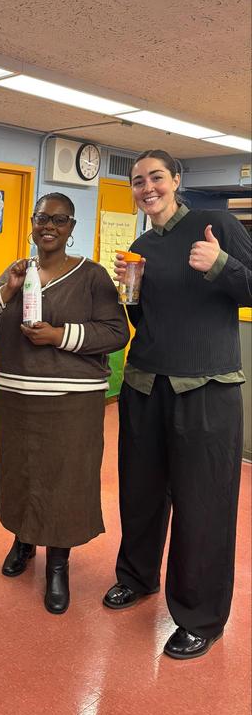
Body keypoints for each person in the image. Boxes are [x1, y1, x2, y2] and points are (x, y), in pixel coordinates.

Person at [103, 149, 252, 659]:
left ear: (177, 180)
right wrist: (133, 294)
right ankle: (136, 576)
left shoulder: (217, 225)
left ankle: (200, 617)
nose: (147, 187)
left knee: (203, 506)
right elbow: (149, 325)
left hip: (207, 390)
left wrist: (223, 266)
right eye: (139, 180)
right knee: (140, 493)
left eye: (157, 177)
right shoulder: (143, 244)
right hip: (145, 386)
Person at [0, 192, 129, 613]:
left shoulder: (92, 276)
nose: (49, 226)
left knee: (64, 480)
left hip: (70, 401)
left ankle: (59, 565)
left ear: (71, 228)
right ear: (32, 223)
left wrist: (59, 336)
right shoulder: (17, 270)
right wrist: (6, 292)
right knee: (19, 474)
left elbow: (115, 332)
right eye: (42, 218)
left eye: (60, 220)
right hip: (13, 397)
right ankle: (24, 540)